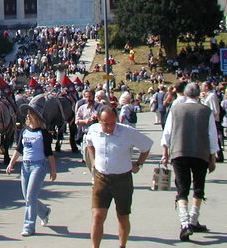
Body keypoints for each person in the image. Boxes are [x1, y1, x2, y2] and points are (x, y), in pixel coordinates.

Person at [86, 106, 153, 248]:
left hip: (122, 179)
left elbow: (146, 146)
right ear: (99, 120)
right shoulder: (94, 130)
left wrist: (139, 164)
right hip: (101, 178)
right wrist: (93, 162)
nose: (109, 127)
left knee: (122, 216)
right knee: (98, 216)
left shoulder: (127, 132)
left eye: (112, 123)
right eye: (105, 123)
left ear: (116, 120)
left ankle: (122, 245)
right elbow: (89, 144)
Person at [161, 82, 218, 241]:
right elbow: (212, 136)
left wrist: (165, 153)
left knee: (182, 187)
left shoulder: (176, 109)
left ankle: (184, 222)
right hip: (200, 153)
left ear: (185, 94)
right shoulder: (206, 111)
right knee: (199, 186)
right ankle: (193, 219)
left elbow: (168, 133)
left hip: (179, 152)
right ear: (199, 94)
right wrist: (212, 158)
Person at [6, 104, 57, 237]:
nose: (28, 116)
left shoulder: (43, 133)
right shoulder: (24, 131)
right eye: (27, 114)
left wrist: (53, 170)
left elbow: (49, 153)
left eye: (31, 113)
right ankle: (44, 211)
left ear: (37, 117)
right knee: (28, 197)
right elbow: (18, 149)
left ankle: (29, 226)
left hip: (38, 166)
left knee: (30, 197)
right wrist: (11, 164)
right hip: (25, 166)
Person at [200, 81, 223, 162]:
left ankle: (219, 155)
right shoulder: (208, 96)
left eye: (202, 86)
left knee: (214, 137)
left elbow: (215, 110)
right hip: (209, 119)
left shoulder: (212, 96)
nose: (201, 88)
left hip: (213, 120)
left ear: (207, 87)